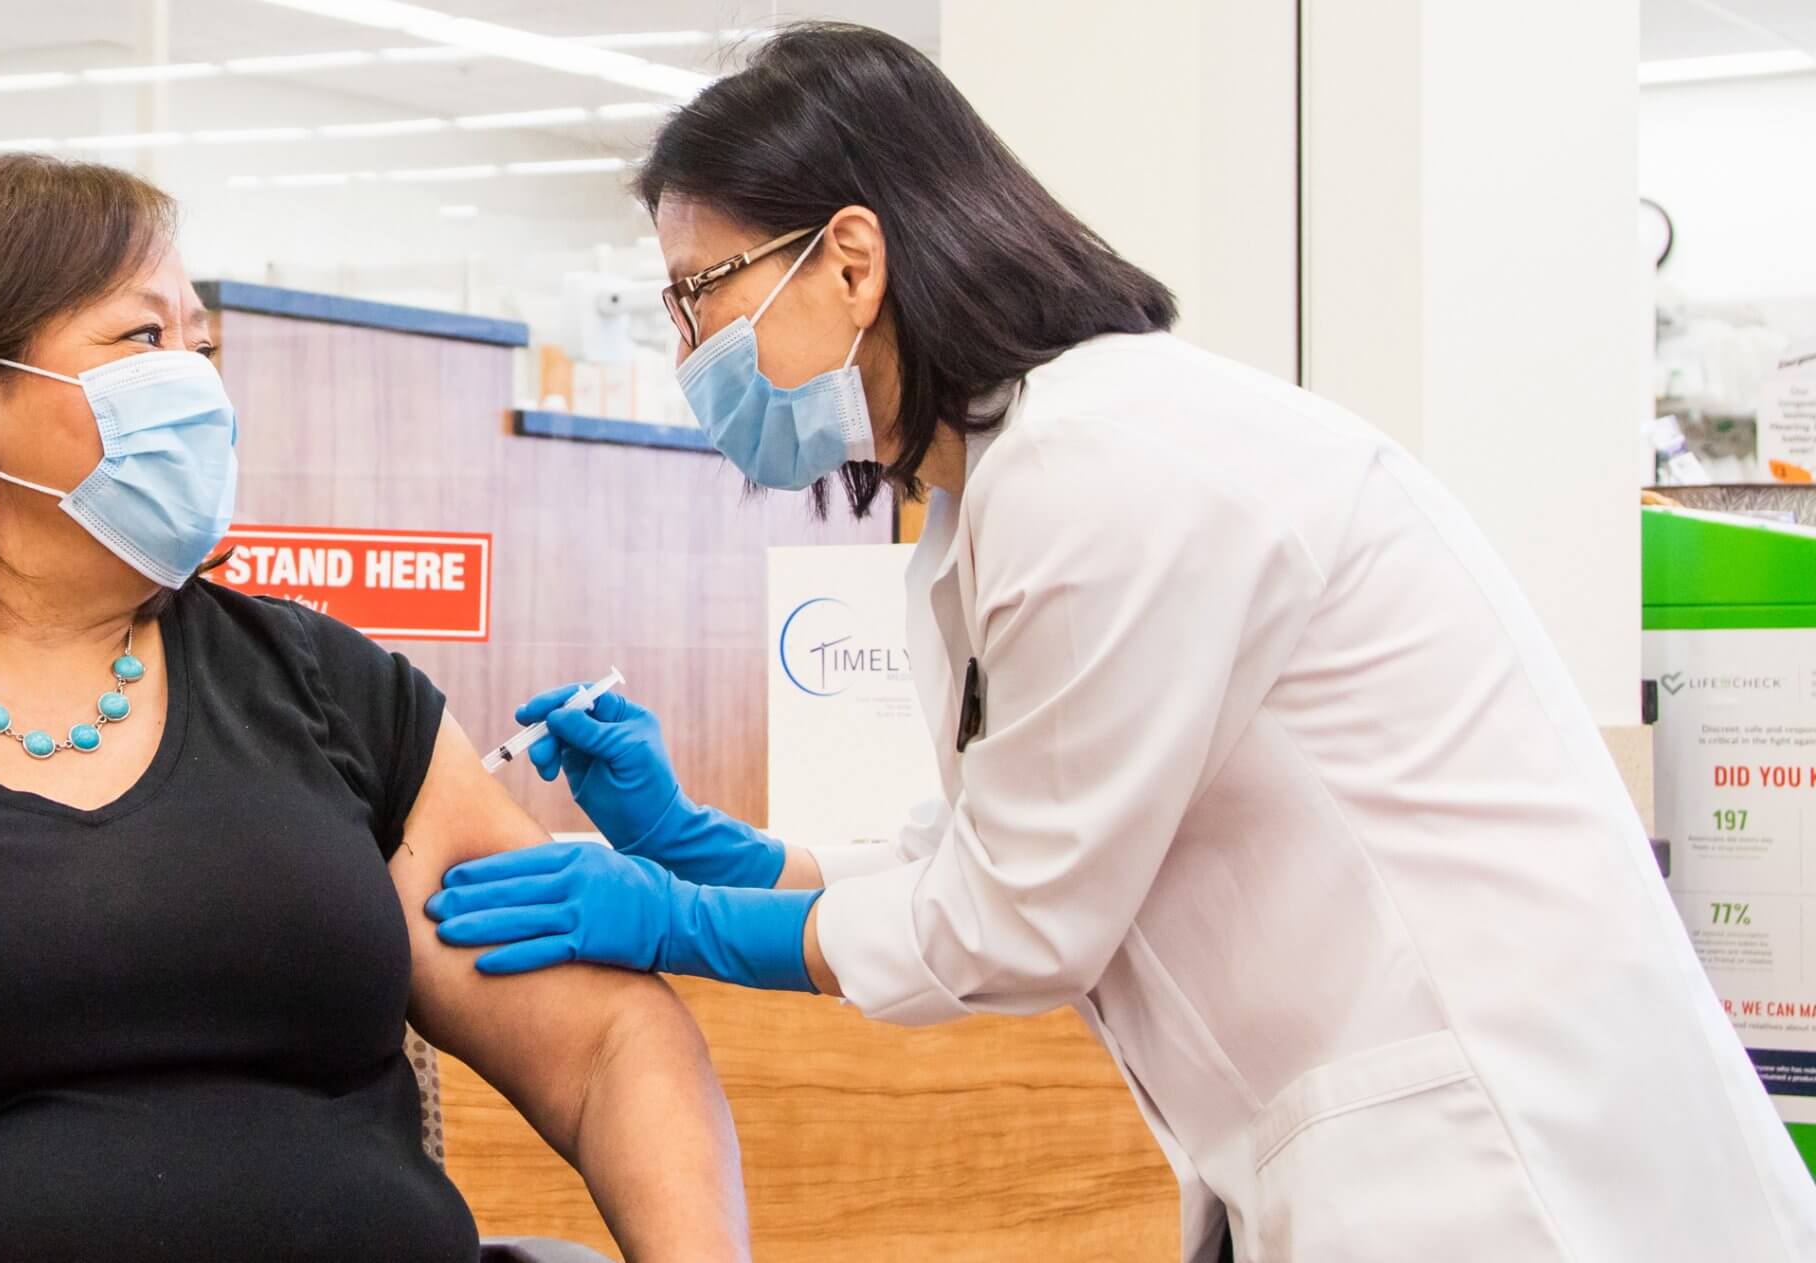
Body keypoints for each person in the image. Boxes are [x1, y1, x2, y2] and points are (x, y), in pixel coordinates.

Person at [427, 22, 1816, 1262]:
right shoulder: (1005, 487)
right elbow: (992, 847)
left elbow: (1016, 920)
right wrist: (714, 848)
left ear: (851, 257)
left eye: (702, 293)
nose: (688, 353)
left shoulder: (1106, 467)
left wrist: (681, 918)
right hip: (1369, 1145)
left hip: (1505, 1163)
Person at [0, 154, 750, 1263]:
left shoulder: (328, 689)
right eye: (142, 338)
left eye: (202, 346)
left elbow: (604, 1047)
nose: (199, 387)